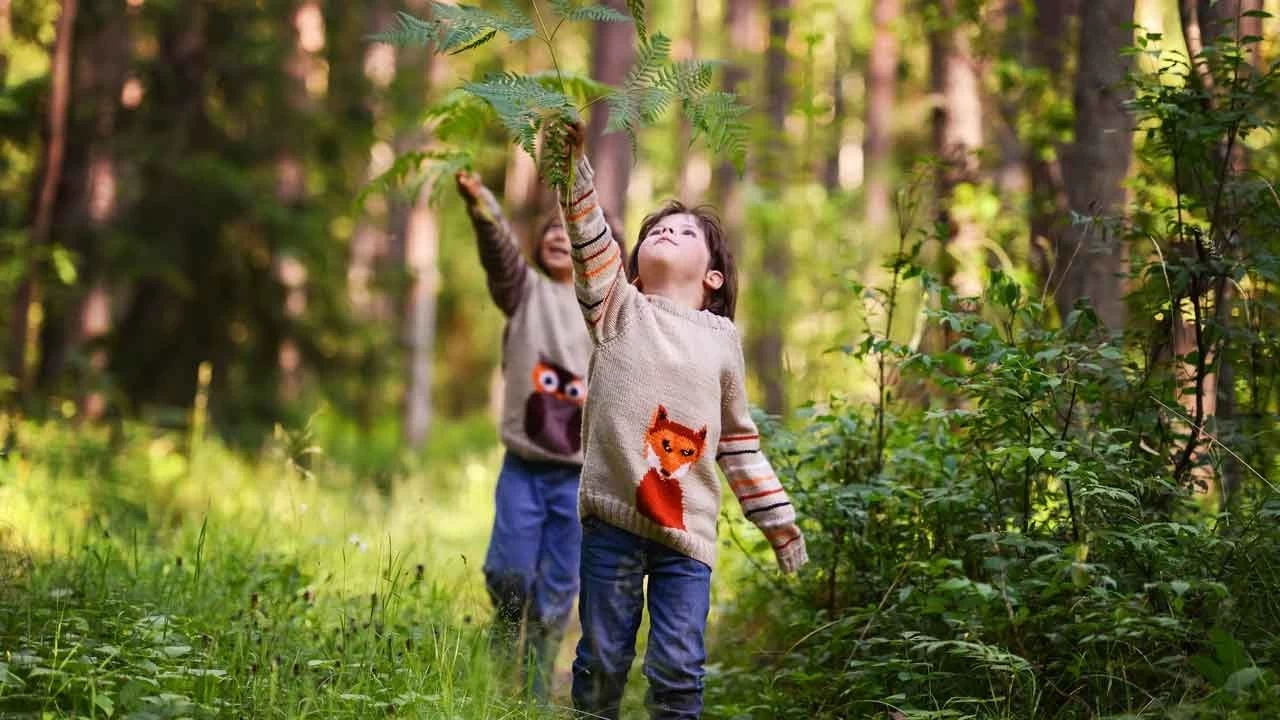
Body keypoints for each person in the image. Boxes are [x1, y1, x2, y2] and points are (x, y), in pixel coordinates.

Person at [539, 122, 809, 720]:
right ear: (633, 264)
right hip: (613, 519)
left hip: (687, 539)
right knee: (603, 659)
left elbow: (739, 446)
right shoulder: (617, 307)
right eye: (657, 229)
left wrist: (780, 524)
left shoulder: (722, 341)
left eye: (685, 232)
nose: (666, 231)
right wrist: (572, 164)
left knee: (678, 670)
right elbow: (588, 237)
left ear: (713, 277)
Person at [455, 170, 616, 700]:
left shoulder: (608, 316)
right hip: (523, 467)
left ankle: (535, 688)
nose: (556, 235)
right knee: (509, 574)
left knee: (554, 593)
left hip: (577, 479)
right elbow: (500, 255)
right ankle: (500, 667)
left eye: (570, 232)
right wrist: (484, 208)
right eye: (550, 228)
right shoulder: (525, 292)